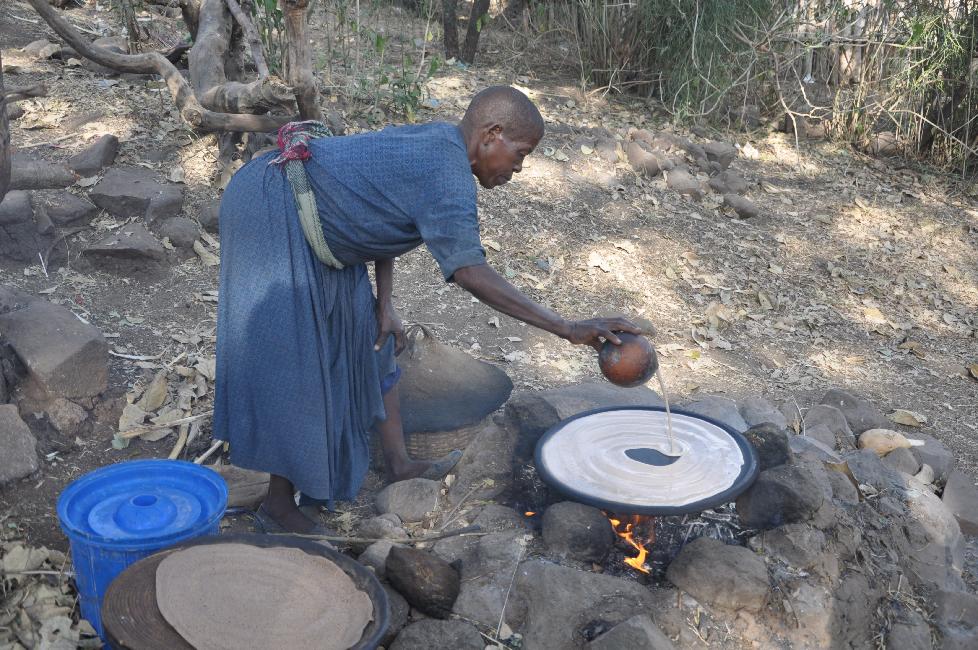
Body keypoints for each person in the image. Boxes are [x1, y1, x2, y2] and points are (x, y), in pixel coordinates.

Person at [214, 86, 643, 534]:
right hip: (270, 205)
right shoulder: (447, 172)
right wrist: (566, 327)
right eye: (520, 153)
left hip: (317, 221)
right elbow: (469, 271)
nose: (519, 167)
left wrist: (386, 304)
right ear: (491, 134)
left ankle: (399, 464)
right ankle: (277, 507)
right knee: (298, 354)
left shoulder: (443, 143)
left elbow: (380, 208)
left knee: (370, 337)